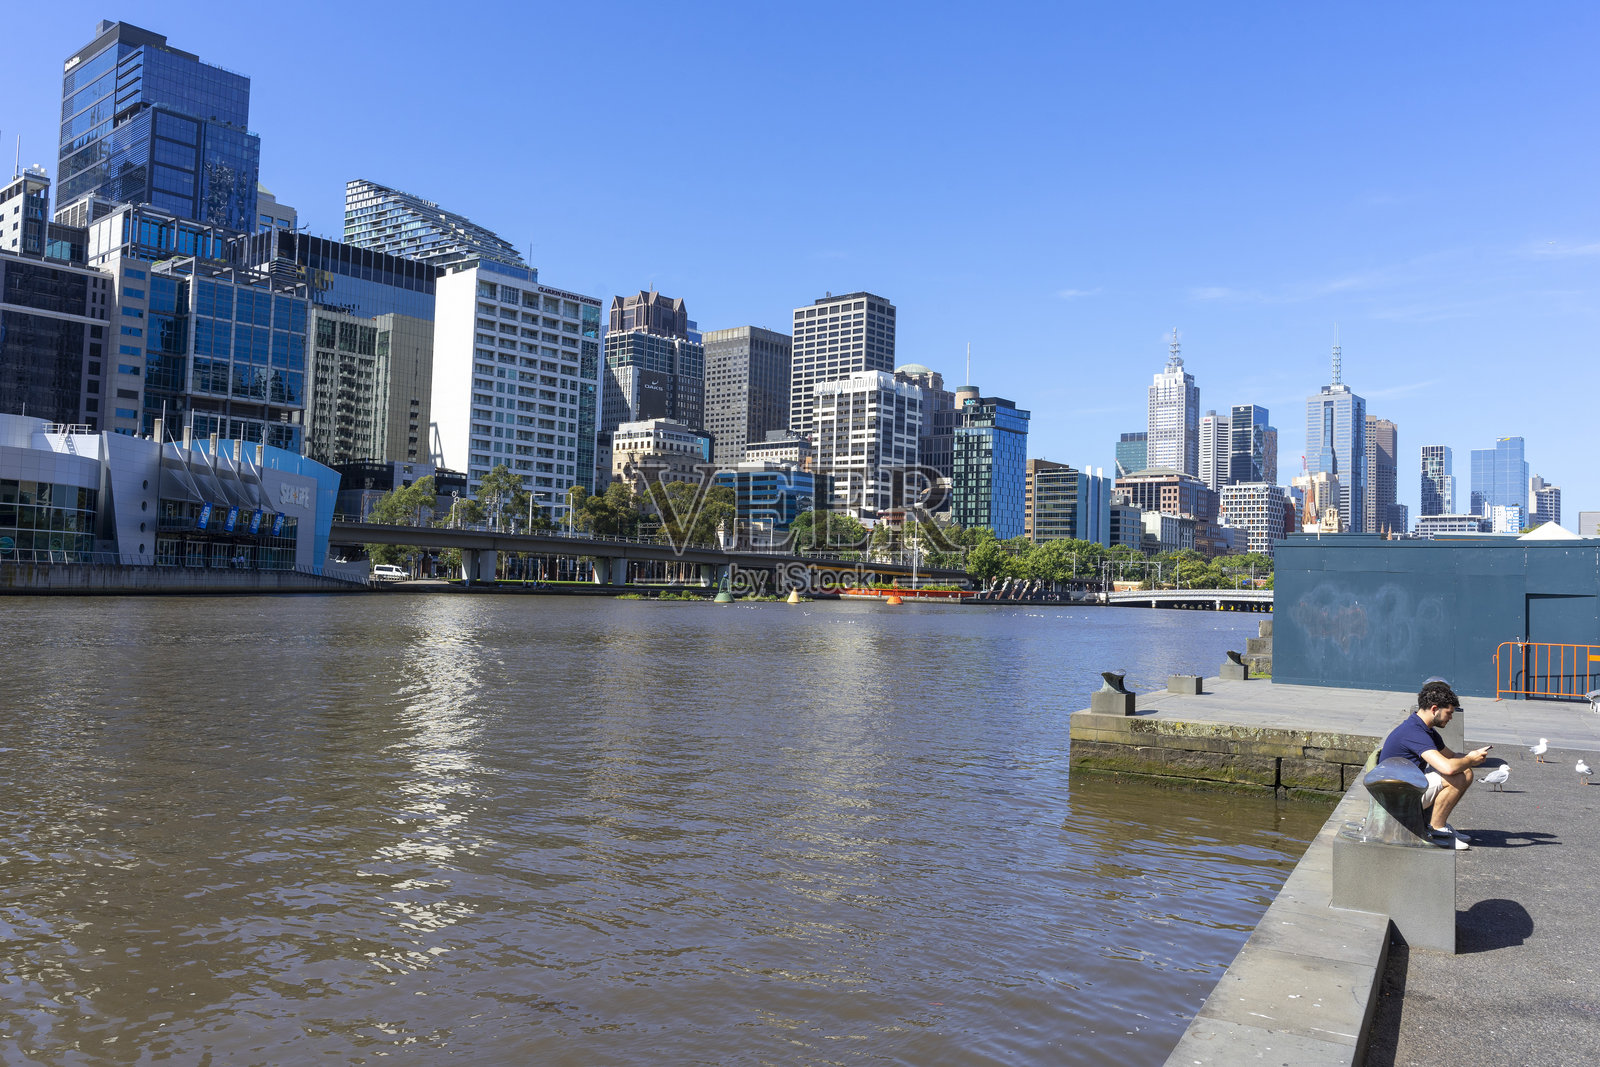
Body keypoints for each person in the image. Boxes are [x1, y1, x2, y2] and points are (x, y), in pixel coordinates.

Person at [1377, 679, 1491, 850]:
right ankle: (1437, 830)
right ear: (1434, 709)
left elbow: (1451, 756)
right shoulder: (1414, 732)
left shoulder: (1425, 729)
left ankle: (1438, 825)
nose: (1451, 717)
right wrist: (1469, 760)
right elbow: (1449, 767)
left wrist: (1472, 756)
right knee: (1457, 776)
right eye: (1449, 713)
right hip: (1396, 797)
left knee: (1465, 771)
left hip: (1406, 786)